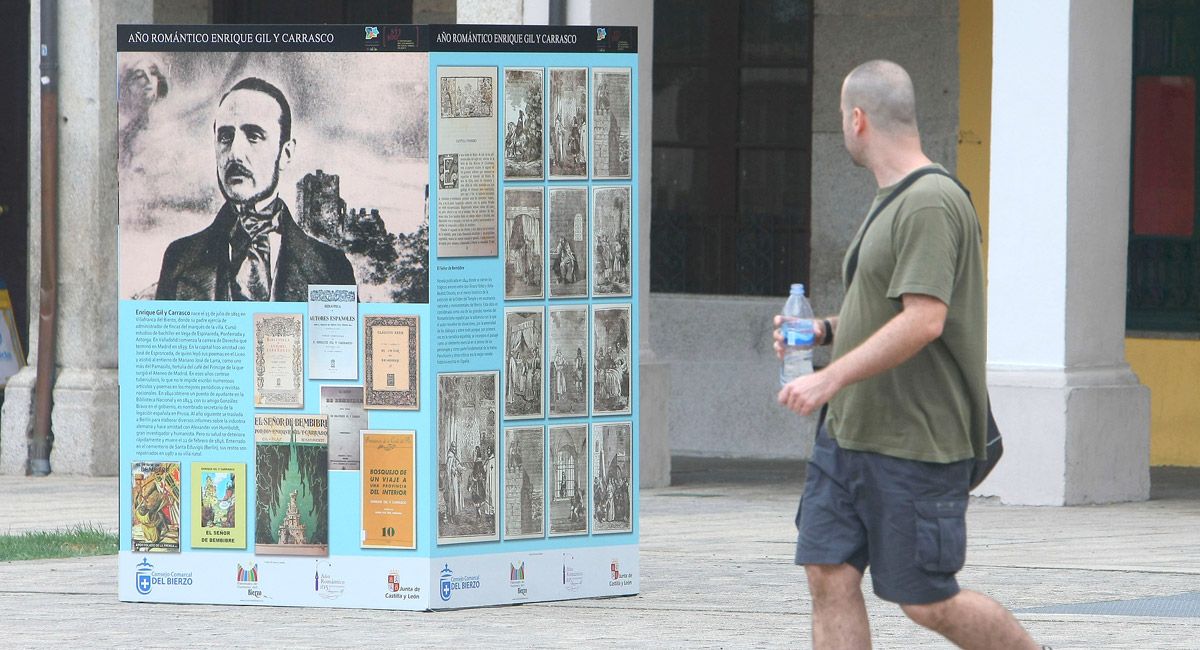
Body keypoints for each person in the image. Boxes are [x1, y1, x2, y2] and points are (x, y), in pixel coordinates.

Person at [774, 60, 1039, 649]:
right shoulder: (891, 200)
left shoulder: (930, 202)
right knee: (828, 572)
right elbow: (884, 316)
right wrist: (821, 331)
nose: (842, 127)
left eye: (842, 117)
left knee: (926, 599)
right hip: (848, 436)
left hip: (914, 442)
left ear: (859, 120)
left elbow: (925, 320)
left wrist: (827, 378)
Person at [155, 77, 354, 301]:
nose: (235, 153)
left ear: (285, 154)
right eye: (225, 137)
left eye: (254, 136)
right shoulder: (179, 259)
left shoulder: (332, 268)